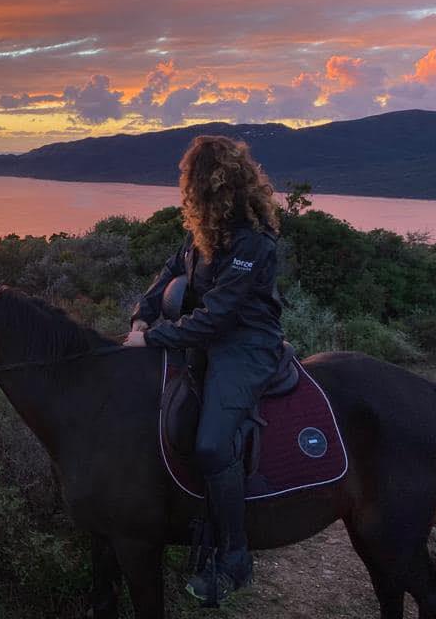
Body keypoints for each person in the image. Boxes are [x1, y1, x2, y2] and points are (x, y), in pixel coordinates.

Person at [123, 135, 284, 604]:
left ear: (215, 186)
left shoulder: (252, 243)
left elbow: (219, 315)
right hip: (203, 345)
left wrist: (151, 339)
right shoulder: (201, 237)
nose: (188, 193)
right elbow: (164, 278)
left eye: (192, 184)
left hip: (245, 347)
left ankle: (235, 556)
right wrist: (142, 316)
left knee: (212, 445)